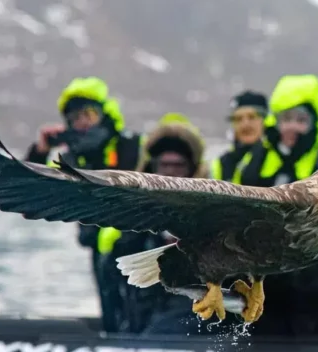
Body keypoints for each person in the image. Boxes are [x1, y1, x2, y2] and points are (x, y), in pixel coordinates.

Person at [24, 77, 143, 331]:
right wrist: (40, 151)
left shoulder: (130, 145)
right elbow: (31, 197)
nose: (83, 122)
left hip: (138, 241)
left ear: (104, 113)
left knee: (139, 306)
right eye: (75, 118)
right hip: (97, 244)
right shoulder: (70, 158)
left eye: (89, 114)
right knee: (110, 307)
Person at [96, 114, 232, 335]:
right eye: (164, 165)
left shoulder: (212, 217)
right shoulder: (133, 217)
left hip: (190, 321)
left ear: (192, 169)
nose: (170, 172)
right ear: (152, 167)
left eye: (178, 166)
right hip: (141, 315)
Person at [231, 74, 318, 334]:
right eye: (286, 119)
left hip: (314, 272)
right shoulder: (255, 160)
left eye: (301, 120)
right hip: (260, 271)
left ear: (313, 123)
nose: (292, 128)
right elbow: (232, 207)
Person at [210, 91, 268, 181]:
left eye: (252, 117)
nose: (245, 124)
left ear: (265, 120)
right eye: (238, 119)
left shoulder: (277, 156)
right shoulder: (221, 163)